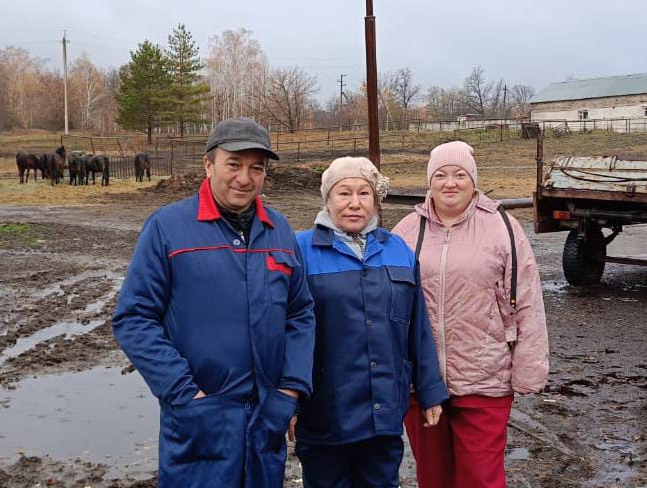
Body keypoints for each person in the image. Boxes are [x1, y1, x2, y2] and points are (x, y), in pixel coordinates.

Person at [112, 117, 315, 488]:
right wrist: (184, 393)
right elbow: (134, 318)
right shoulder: (168, 228)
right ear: (208, 164)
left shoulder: (279, 230)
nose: (244, 177)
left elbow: (300, 312)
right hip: (200, 418)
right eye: (234, 164)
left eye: (257, 168)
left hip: (265, 417)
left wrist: (290, 389)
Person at [392, 141, 549, 488]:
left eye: (459, 175)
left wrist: (530, 368)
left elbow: (527, 300)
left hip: (485, 378)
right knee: (433, 477)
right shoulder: (405, 231)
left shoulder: (503, 228)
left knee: (481, 478)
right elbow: (387, 305)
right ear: (429, 182)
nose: (450, 183)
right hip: (422, 382)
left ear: (473, 180)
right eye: (441, 175)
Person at [294, 156, 448, 488]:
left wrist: (430, 389)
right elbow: (287, 332)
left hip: (384, 410)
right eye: (343, 193)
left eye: (364, 193)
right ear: (328, 199)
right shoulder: (301, 251)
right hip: (326, 412)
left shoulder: (398, 250)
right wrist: (288, 400)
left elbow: (417, 326)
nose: (354, 204)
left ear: (376, 200)